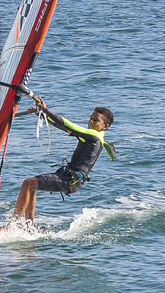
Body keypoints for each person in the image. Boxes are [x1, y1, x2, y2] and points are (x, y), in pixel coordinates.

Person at [11, 96, 115, 224]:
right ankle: (28, 227)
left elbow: (68, 124)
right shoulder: (93, 136)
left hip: (70, 179)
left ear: (105, 126)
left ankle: (12, 225)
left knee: (28, 183)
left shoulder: (93, 136)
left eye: (96, 120)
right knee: (31, 185)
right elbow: (65, 127)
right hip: (71, 178)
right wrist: (42, 115)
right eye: (91, 118)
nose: (91, 121)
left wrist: (46, 110)